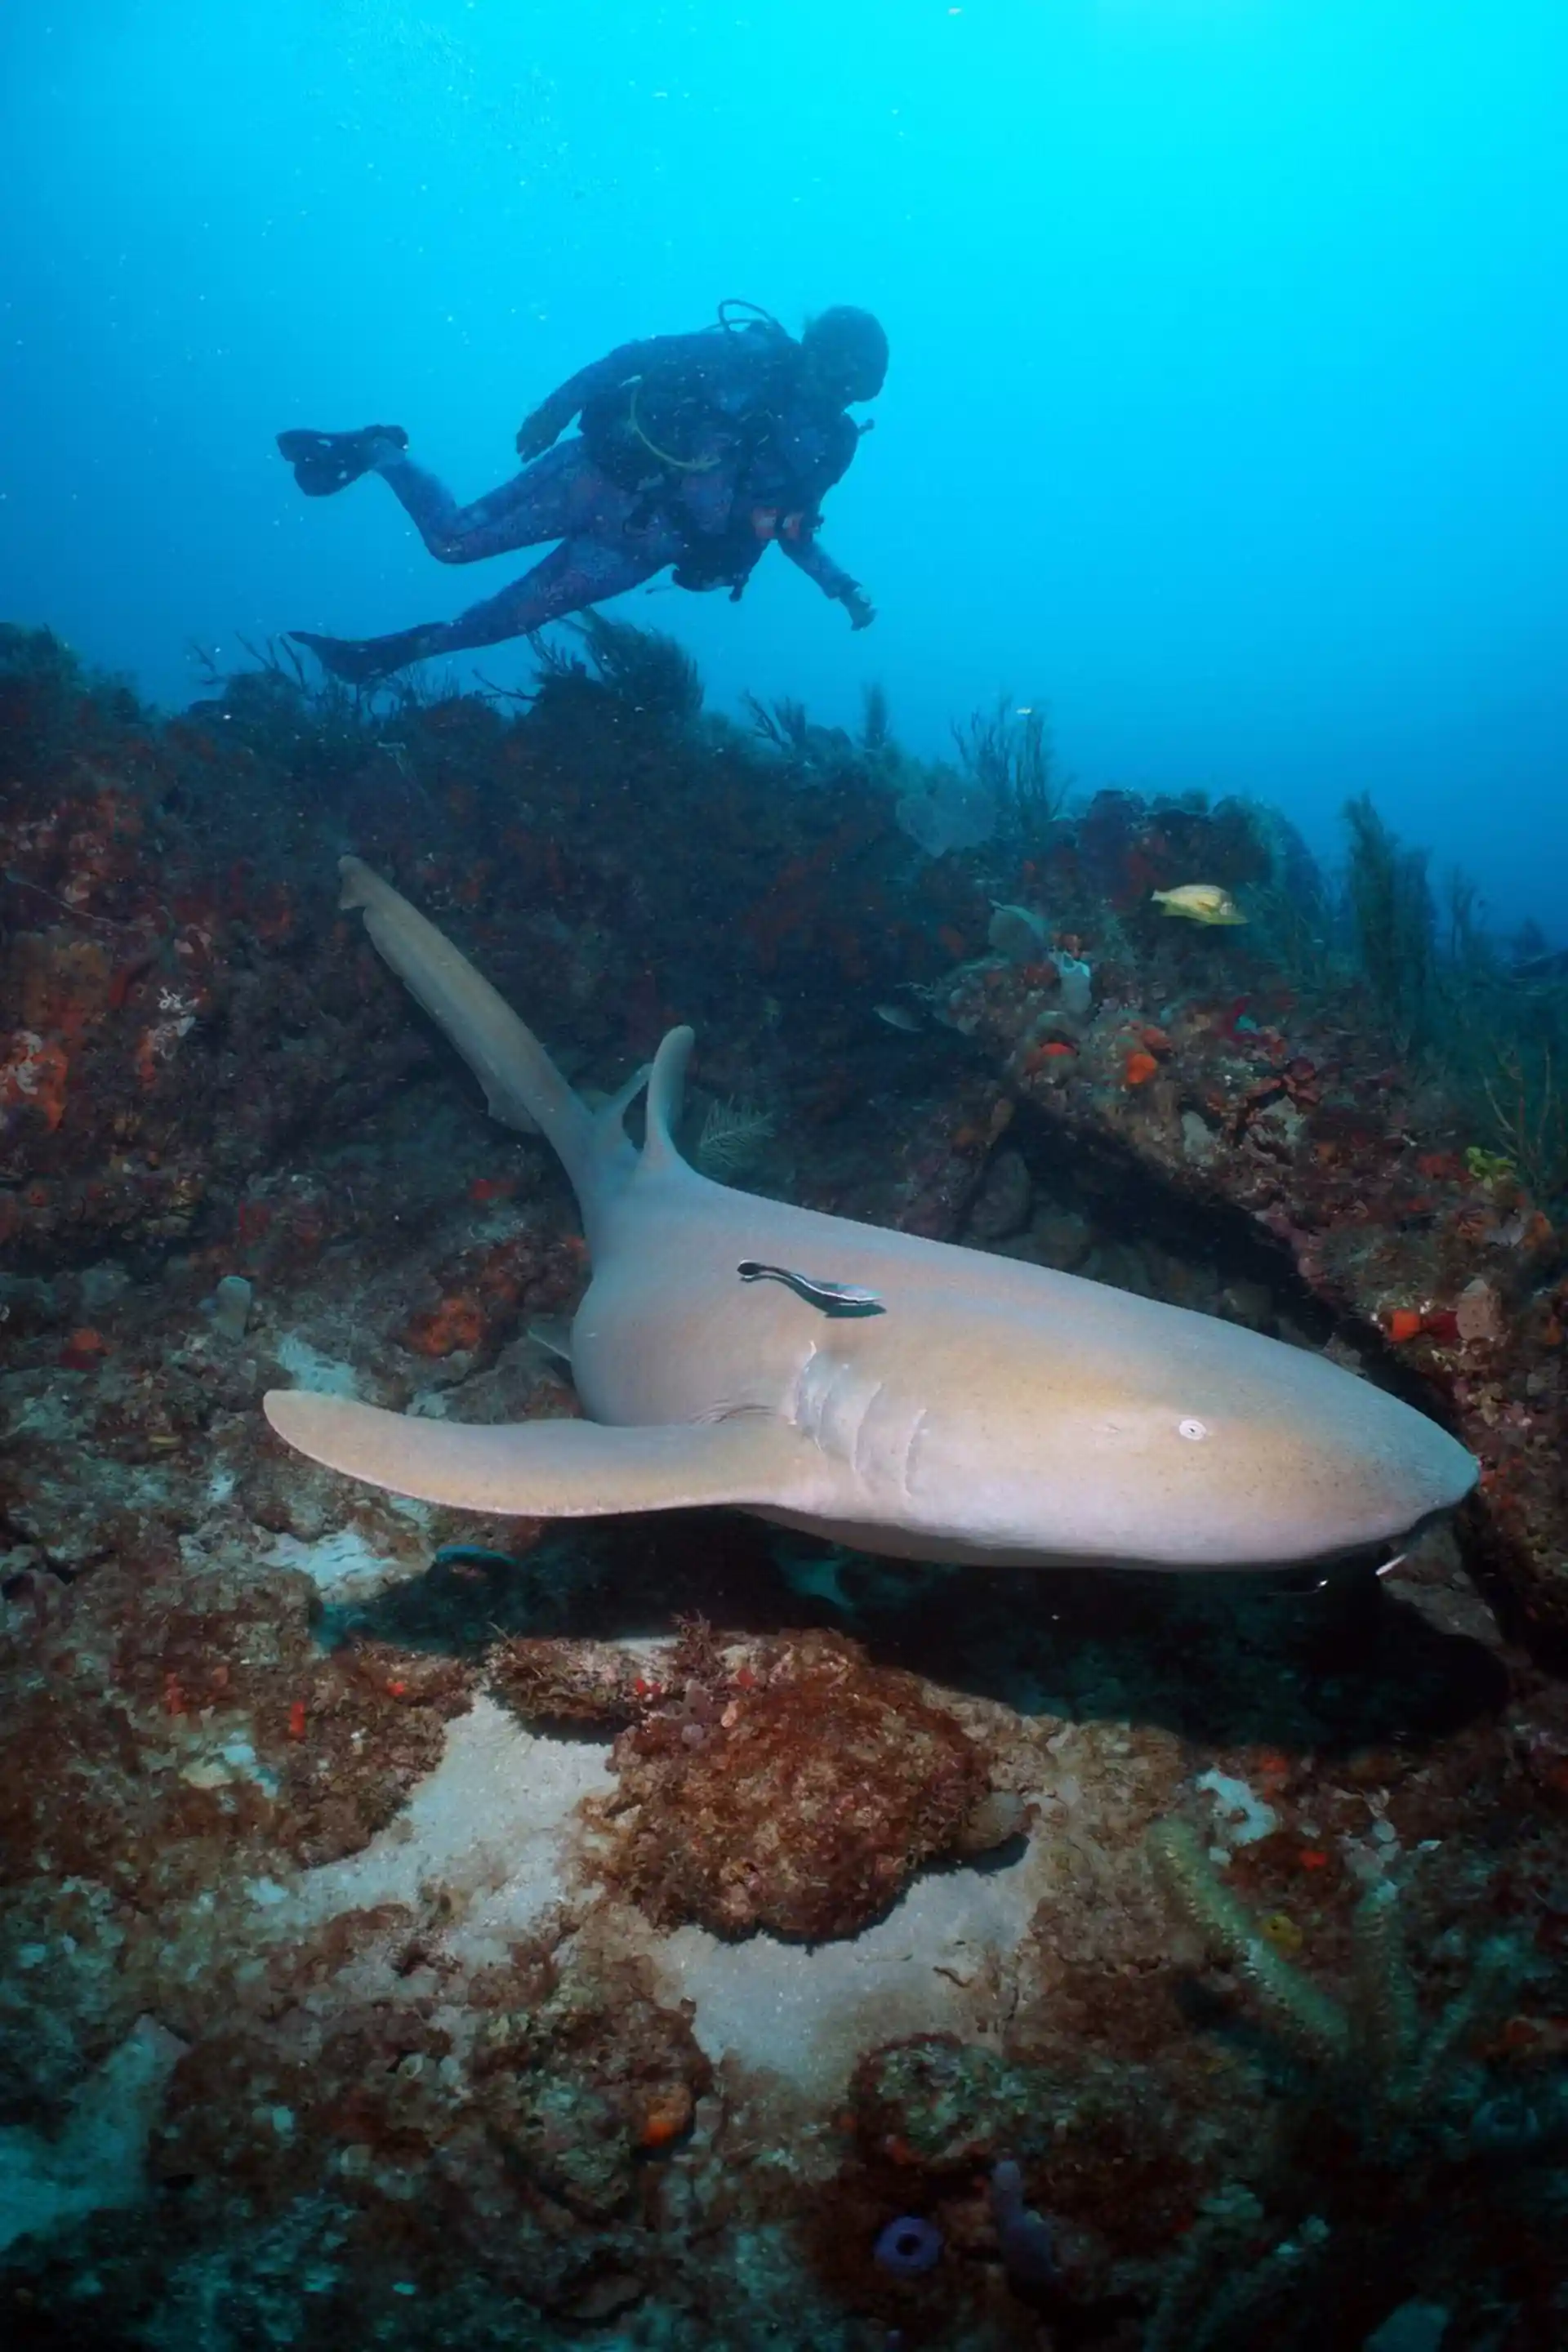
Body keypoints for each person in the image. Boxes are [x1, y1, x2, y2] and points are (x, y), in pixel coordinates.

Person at [276, 301, 886, 684]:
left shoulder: (834, 444)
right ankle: (380, 449)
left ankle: (390, 655)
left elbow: (790, 526)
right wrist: (554, 410)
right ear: (819, 351)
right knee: (451, 543)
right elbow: (634, 358)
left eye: (863, 388)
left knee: (505, 621)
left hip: (646, 545)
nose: (847, 395)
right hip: (592, 479)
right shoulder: (745, 355)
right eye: (846, 374)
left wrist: (842, 587)